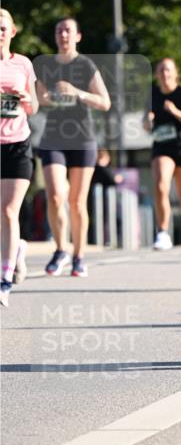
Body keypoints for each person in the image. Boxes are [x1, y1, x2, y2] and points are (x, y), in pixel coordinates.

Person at [34, 17, 111, 277]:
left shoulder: (85, 65)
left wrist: (78, 92)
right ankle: (60, 249)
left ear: (78, 36)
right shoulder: (45, 65)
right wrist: (46, 96)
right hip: (53, 138)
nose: (63, 34)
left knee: (77, 201)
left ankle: (79, 256)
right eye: (59, 30)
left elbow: (104, 102)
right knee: (55, 196)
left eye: (68, 30)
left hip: (82, 139)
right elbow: (40, 99)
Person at [144, 58, 181, 254]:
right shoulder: (152, 95)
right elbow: (146, 126)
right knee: (161, 185)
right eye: (160, 70)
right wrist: (148, 120)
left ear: (175, 73)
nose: (164, 73)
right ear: (156, 75)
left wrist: (175, 111)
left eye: (168, 70)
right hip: (162, 147)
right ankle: (162, 233)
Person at [0, 9, 39, 306]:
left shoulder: (23, 64)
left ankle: (5, 277)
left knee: (9, 211)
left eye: (3, 28)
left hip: (18, 145)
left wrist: (26, 99)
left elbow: (34, 107)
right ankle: (17, 251)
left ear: (13, 32)